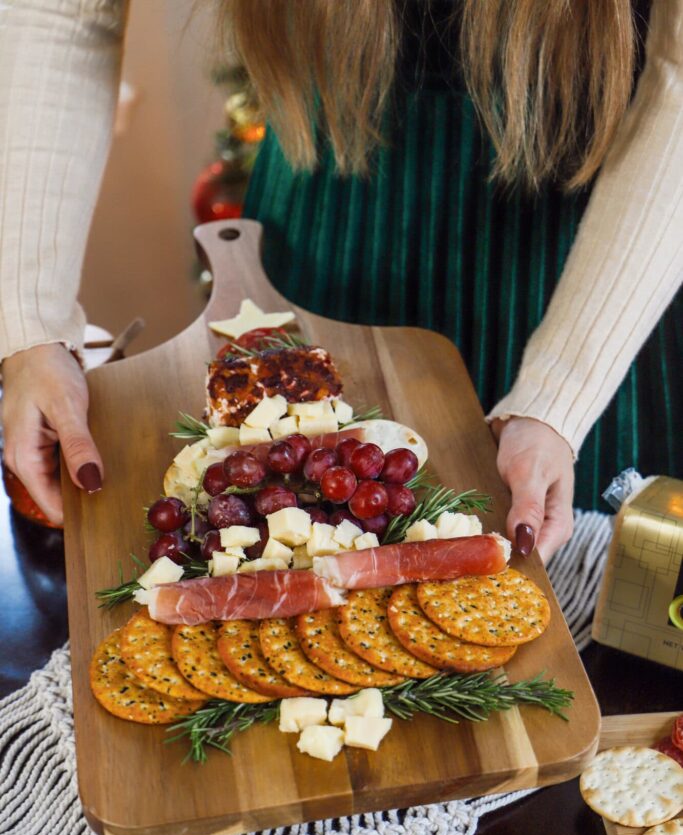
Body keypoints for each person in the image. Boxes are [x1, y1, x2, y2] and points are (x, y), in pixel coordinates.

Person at [0, 0, 681, 562]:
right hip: (330, 198)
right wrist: (29, 325)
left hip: (599, 250)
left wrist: (557, 400)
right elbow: (62, 12)